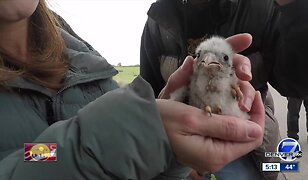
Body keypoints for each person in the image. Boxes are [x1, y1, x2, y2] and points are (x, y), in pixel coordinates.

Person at [0, 0, 265, 179]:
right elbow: (31, 155)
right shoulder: (158, 20)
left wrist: (169, 147)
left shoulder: (83, 62)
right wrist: (115, 139)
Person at [140, 0, 280, 179]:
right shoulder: (157, 20)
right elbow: (149, 94)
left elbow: (294, 79)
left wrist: (302, 10)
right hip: (180, 146)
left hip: (245, 141)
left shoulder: (260, 6)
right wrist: (172, 151)